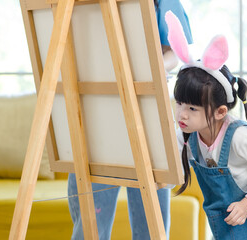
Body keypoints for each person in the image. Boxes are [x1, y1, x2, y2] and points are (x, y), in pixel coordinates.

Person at [165, 11, 247, 240]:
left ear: (220, 112)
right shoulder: (187, 136)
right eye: (179, 103)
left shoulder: (239, 137)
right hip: (233, 217)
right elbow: (170, 168)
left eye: (192, 109)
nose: (182, 114)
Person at [68, 1, 192, 240]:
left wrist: (144, 70)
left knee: (151, 226)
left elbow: (176, 50)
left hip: (146, 111)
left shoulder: (164, 3)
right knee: (90, 226)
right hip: (95, 114)